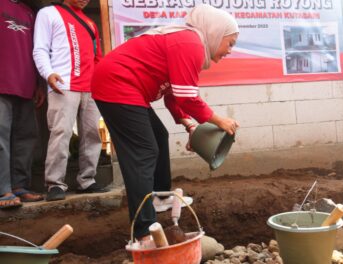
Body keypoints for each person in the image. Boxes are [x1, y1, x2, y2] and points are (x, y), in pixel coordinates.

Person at [91, 4, 240, 240]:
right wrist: (218, 120)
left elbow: (173, 95)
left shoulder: (190, 43)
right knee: (144, 153)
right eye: (230, 43)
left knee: (159, 136)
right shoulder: (189, 43)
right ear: (215, 32)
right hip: (116, 84)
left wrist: (190, 126)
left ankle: (160, 198)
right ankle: (144, 231)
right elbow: (188, 97)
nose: (230, 50)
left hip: (125, 88)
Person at [33, 0, 108, 201]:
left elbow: (97, 57)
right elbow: (40, 48)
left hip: (90, 86)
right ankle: (55, 184)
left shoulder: (90, 23)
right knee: (61, 133)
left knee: (92, 134)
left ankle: (87, 180)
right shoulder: (49, 13)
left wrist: (101, 82)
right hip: (63, 83)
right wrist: (48, 73)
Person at [0, 0, 45, 209]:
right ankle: (3, 189)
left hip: (26, 85)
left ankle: (19, 185)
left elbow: (38, 49)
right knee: (1, 137)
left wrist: (39, 83)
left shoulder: (30, 12)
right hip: (2, 82)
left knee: (26, 137)